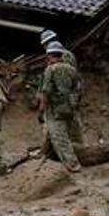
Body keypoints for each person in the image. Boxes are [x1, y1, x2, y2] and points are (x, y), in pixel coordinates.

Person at [38, 43, 83, 172]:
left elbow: (46, 92)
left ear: (49, 56)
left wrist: (41, 109)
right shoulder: (71, 69)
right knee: (73, 132)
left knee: (59, 137)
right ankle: (83, 152)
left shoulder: (50, 70)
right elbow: (78, 89)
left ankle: (73, 165)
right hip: (70, 106)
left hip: (55, 108)